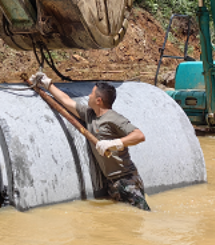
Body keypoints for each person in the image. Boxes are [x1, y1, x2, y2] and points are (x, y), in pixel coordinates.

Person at [29, 72, 150, 210]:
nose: (89, 96)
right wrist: (47, 83)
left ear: (99, 100)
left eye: (92, 94)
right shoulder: (89, 115)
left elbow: (139, 135)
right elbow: (66, 101)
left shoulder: (113, 118)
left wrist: (113, 143)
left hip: (127, 181)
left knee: (142, 214)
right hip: (112, 183)